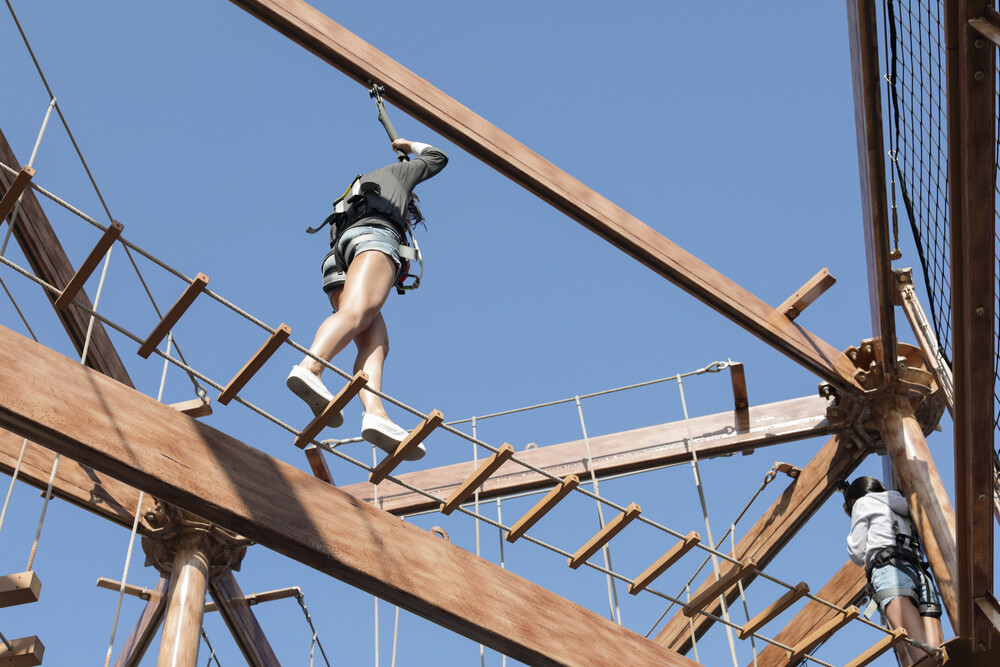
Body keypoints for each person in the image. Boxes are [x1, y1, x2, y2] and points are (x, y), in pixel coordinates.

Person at [287, 138, 448, 460]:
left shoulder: (354, 194)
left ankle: (375, 413)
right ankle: (311, 368)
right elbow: (438, 157)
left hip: (338, 258)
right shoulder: (397, 176)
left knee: (374, 341)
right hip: (372, 241)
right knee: (358, 312)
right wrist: (408, 144)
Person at [843, 476, 944, 661]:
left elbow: (856, 553)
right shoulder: (904, 504)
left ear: (853, 500)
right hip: (920, 574)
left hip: (890, 573)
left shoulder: (862, 503)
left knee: (923, 657)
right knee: (939, 653)